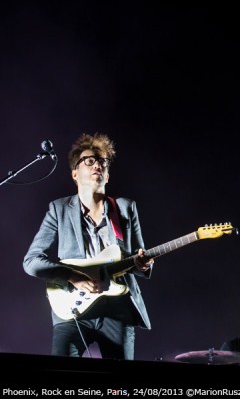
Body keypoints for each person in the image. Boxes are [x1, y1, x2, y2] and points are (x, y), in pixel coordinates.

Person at [23, 132, 154, 360]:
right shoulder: (59, 209)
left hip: (117, 308)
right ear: (75, 173)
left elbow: (137, 259)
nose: (98, 166)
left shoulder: (125, 208)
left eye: (102, 162)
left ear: (108, 174)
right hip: (72, 307)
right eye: (90, 161)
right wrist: (72, 276)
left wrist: (142, 265)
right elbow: (32, 261)